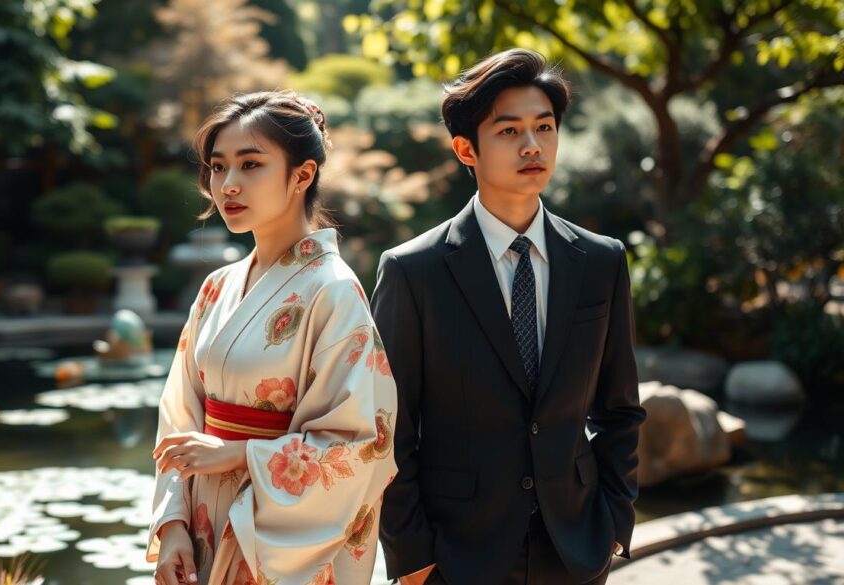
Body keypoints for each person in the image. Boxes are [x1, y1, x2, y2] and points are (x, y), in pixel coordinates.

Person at [374, 49, 646, 585]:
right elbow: (389, 430)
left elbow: (620, 409)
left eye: (544, 127)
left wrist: (614, 523)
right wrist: (411, 555)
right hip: (455, 556)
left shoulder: (601, 260)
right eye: (509, 131)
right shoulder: (413, 272)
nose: (532, 145)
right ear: (465, 149)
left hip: (576, 547)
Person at [146, 90, 398, 585]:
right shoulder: (216, 287)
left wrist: (240, 454)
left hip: (273, 537)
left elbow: (357, 445)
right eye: (218, 168)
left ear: (302, 175)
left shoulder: (333, 291)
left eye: (251, 165)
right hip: (201, 524)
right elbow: (179, 414)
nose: (228, 185)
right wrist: (173, 524)